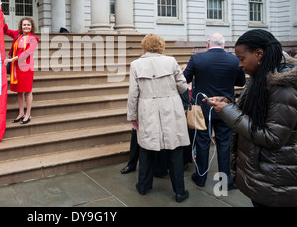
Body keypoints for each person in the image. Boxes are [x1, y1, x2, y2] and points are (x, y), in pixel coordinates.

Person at [205, 29, 297, 207]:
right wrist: (229, 103)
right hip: (265, 175)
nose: (240, 65)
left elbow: (274, 137)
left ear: (259, 54)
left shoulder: (283, 87)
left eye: (242, 58)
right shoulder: (262, 75)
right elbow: (259, 110)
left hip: (276, 181)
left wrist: (228, 111)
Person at [127, 34, 190, 203]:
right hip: (171, 106)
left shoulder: (135, 64)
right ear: (161, 45)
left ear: (144, 46)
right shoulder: (171, 61)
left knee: (146, 148)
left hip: (147, 108)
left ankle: (143, 186)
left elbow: (133, 94)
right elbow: (183, 87)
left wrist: (132, 116)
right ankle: (180, 192)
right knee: (175, 148)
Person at [183, 33, 245, 188]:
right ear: (223, 45)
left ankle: (201, 177)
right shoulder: (234, 60)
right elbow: (241, 81)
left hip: (202, 108)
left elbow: (185, 79)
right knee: (225, 144)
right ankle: (225, 182)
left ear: (208, 44)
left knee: (202, 142)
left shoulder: (197, 59)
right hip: (226, 108)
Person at [4, 17, 39, 125]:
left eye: (28, 25)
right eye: (24, 25)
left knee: (27, 90)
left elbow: (27, 53)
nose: (26, 26)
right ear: (21, 26)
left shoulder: (34, 38)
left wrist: (12, 59)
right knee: (19, 92)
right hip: (16, 67)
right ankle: (21, 113)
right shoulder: (17, 35)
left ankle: (28, 114)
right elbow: (5, 30)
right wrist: (4, 19)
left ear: (32, 26)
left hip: (26, 67)